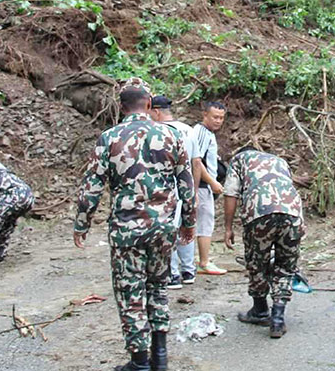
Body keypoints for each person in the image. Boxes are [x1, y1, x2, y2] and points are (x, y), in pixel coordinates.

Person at [74, 77, 195, 371]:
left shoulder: (109, 138)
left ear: (121, 106)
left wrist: (82, 224)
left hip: (127, 232)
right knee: (158, 289)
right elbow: (186, 184)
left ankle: (140, 363)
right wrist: (188, 222)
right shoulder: (171, 136)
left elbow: (91, 188)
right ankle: (160, 359)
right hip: (163, 229)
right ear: (149, 104)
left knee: (131, 294)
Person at [223, 146, 303, 339]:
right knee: (286, 266)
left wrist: (228, 227)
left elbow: (230, 193)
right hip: (292, 214)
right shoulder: (279, 160)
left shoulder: (239, 159)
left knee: (257, 262)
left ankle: (260, 311)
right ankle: (277, 318)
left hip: (259, 213)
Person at [150, 95, 198, 290]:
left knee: (168, 229)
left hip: (167, 187)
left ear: (156, 111)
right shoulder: (189, 130)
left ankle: (173, 274)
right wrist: (192, 190)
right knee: (186, 226)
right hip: (186, 185)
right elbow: (196, 162)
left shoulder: (158, 131)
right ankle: (188, 270)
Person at [191, 101, 227, 275]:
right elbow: (195, 160)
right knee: (205, 222)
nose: (218, 121)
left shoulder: (208, 134)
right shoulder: (201, 133)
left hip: (205, 185)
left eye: (221, 118)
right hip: (201, 186)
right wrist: (212, 182)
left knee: (204, 222)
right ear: (205, 115)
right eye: (215, 117)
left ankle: (199, 259)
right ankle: (204, 262)